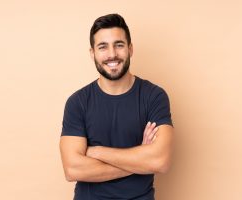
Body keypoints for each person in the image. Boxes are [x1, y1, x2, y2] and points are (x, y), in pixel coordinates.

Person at [59, 13, 174, 200]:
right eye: (103, 47)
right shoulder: (78, 102)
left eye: (119, 45)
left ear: (130, 49)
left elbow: (160, 161)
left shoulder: (154, 96)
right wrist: (139, 160)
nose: (112, 54)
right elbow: (72, 169)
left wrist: (96, 152)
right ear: (92, 53)